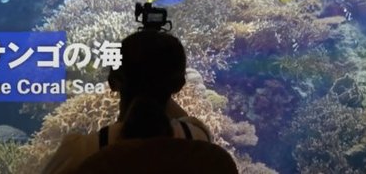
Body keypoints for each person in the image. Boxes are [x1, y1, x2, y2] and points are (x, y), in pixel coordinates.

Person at [42, 30, 234, 174]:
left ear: (112, 82)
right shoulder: (197, 139)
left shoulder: (81, 151)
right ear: (179, 85)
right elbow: (185, 120)